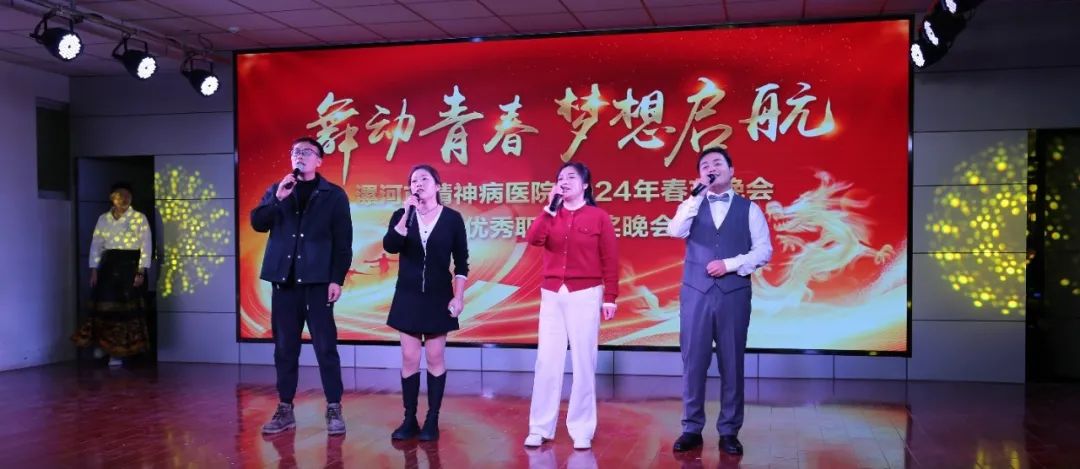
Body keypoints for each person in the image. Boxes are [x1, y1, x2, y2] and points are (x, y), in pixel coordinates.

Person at [667, 148, 772, 455]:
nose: (711, 168)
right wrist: (695, 197)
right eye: (705, 165)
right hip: (695, 294)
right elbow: (674, 231)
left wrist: (729, 264)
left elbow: (763, 251)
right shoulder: (692, 204)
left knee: (732, 362)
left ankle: (729, 431)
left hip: (734, 294)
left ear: (731, 170)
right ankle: (691, 428)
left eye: (717, 163)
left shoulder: (749, 209)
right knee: (693, 362)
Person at [251, 137, 353, 436]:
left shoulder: (333, 195)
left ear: (319, 160)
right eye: (296, 152)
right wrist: (277, 199)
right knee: (285, 348)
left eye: (307, 152)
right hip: (285, 283)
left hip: (318, 283)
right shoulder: (279, 189)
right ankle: (285, 408)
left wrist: (336, 278)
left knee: (325, 347)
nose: (300, 156)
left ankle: (333, 407)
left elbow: (343, 242)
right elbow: (258, 222)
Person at [523, 162, 619, 450]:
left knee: (583, 361)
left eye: (571, 177)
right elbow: (533, 239)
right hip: (553, 293)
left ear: (585, 185)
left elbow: (610, 259)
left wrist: (610, 296)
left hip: (586, 293)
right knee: (547, 360)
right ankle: (540, 427)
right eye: (560, 178)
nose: (564, 182)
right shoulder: (552, 214)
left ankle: (582, 429)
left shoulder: (599, 217)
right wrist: (548, 209)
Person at [383, 164, 469, 442]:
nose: (417, 184)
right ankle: (409, 419)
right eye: (413, 180)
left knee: (434, 357)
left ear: (437, 186)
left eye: (424, 179)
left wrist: (458, 296)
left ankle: (432, 419)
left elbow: (462, 262)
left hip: (437, 297)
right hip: (407, 296)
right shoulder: (402, 215)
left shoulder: (452, 219)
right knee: (409, 358)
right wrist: (405, 216)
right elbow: (390, 246)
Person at [72, 182, 152, 366]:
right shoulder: (104, 219)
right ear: (112, 198)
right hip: (109, 265)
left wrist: (141, 271)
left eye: (127, 195)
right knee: (105, 307)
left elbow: (146, 245)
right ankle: (104, 347)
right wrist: (94, 268)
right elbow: (97, 244)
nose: (123, 199)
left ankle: (123, 352)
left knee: (126, 310)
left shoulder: (139, 218)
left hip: (130, 265)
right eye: (119, 195)